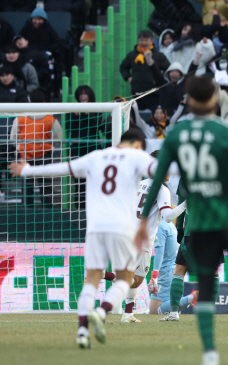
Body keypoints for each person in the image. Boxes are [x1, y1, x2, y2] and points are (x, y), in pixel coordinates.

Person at [136, 76, 228, 365]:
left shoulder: (176, 133)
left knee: (206, 287)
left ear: (187, 99)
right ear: (215, 98)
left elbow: (157, 176)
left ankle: (210, 354)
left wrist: (141, 223)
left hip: (198, 223)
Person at [9, 128, 156, 349]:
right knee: (126, 279)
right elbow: (162, 169)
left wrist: (28, 170)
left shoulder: (95, 156)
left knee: (92, 279)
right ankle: (101, 311)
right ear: (138, 145)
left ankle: (82, 331)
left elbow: (60, 169)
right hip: (121, 227)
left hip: (95, 227)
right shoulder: (136, 156)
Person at [121, 150, 187, 323]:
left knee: (133, 275)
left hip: (128, 233)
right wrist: (186, 204)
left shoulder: (140, 184)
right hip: (143, 239)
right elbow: (168, 216)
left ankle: (128, 314)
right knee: (136, 281)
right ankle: (103, 275)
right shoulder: (161, 189)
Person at [148, 218, 199, 315]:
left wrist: (154, 275)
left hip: (165, 273)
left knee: (154, 311)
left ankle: (193, 297)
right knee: (169, 309)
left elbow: (160, 252)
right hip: (172, 269)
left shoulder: (160, 227)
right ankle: (190, 298)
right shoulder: (170, 225)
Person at [119, 30, 170, 112]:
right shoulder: (132, 55)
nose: (143, 43)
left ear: (151, 41)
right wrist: (128, 78)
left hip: (154, 94)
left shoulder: (158, 56)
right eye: (141, 40)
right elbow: (123, 67)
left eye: (146, 40)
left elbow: (168, 70)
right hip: (137, 93)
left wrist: (159, 80)